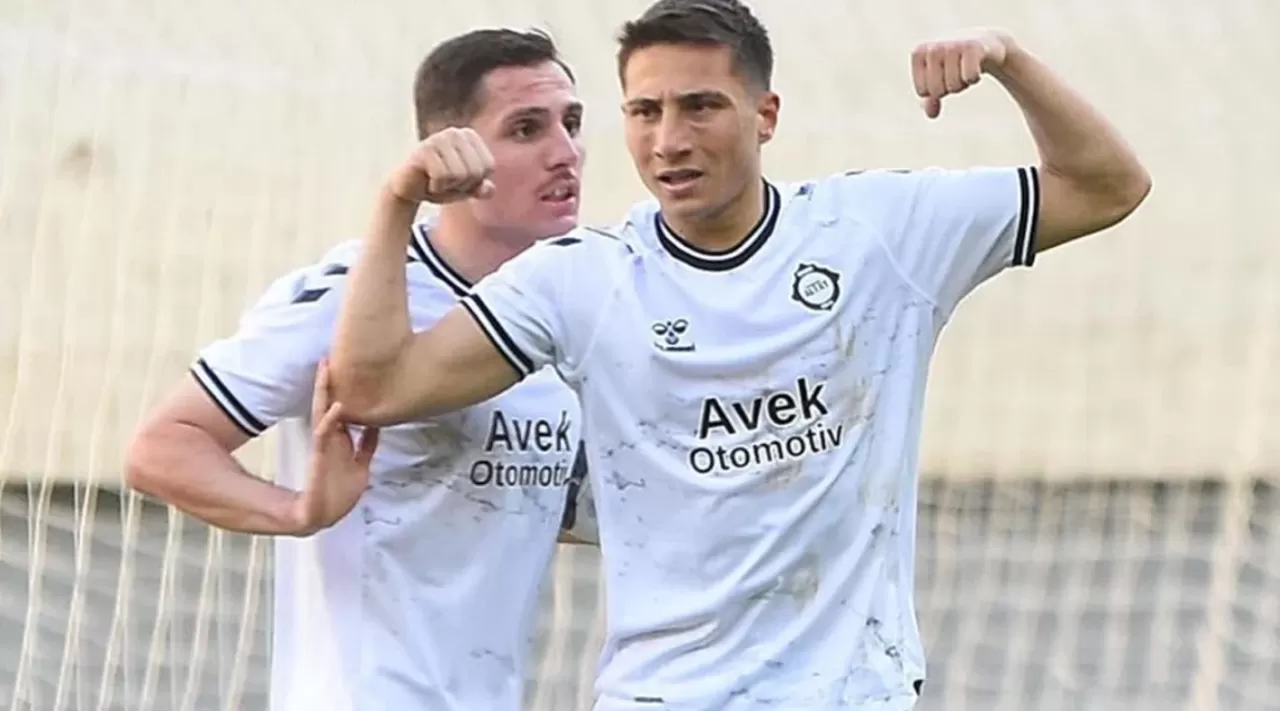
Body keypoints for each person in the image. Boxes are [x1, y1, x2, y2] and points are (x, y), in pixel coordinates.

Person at [328, 0, 1151, 708]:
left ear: (766, 115)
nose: (668, 139)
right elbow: (374, 387)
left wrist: (1009, 61)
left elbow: (1109, 185)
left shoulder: (879, 233)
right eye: (644, 111)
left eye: (700, 107)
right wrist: (398, 200)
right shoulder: (580, 280)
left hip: (849, 691)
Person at [123, 28, 596, 711]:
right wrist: (295, 511)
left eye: (571, 123)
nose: (564, 152)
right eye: (526, 129)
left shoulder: (561, 307)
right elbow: (162, 447)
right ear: (452, 152)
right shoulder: (353, 298)